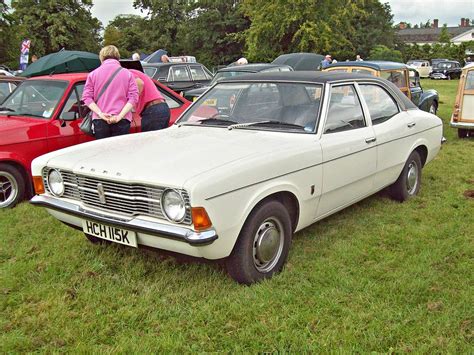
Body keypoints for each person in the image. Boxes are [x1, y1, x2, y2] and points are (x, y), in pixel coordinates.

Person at [82, 45, 139, 140]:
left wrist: (100, 113)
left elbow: (86, 98)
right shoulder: (128, 74)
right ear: (118, 57)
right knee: (120, 152)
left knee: (103, 152)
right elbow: (134, 97)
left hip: (100, 120)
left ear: (101, 57)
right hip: (122, 119)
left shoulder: (93, 74)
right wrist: (120, 116)